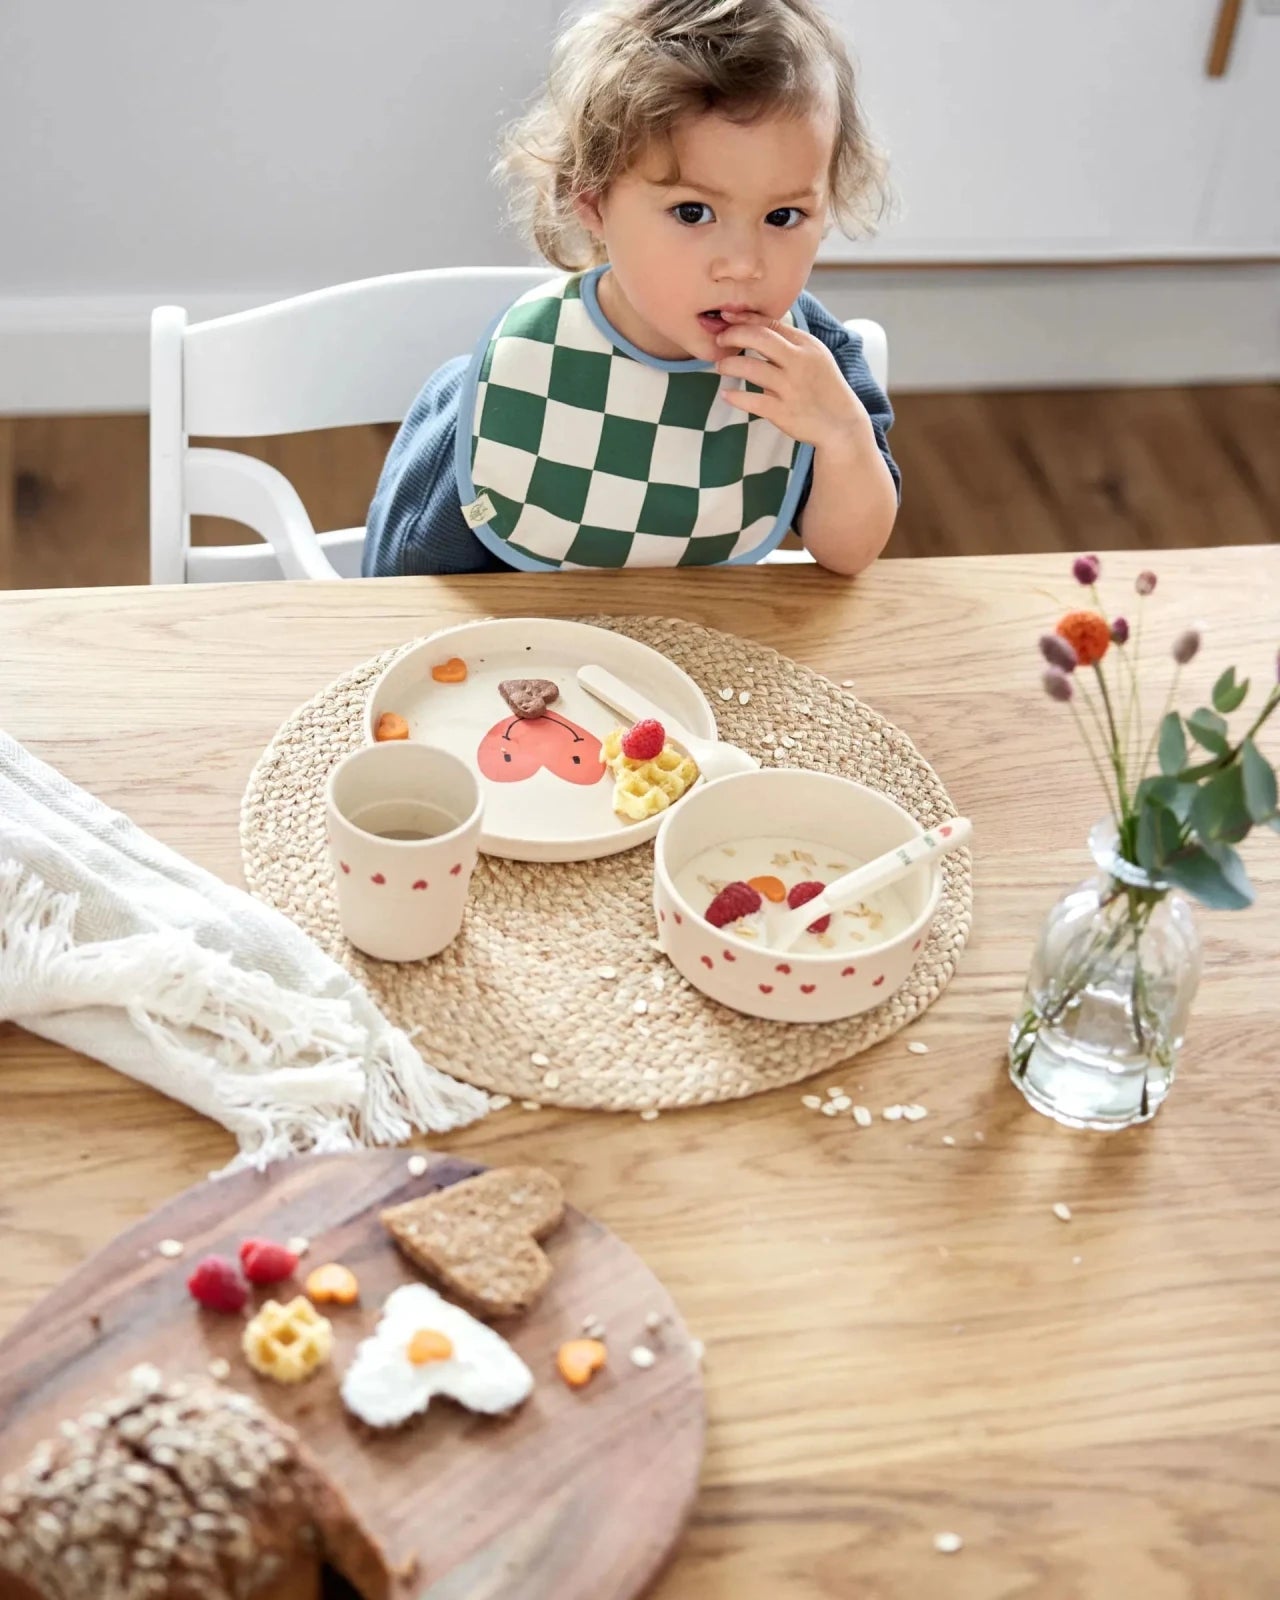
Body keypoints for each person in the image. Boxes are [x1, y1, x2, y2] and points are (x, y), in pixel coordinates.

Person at [363, 0, 899, 579]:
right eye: (693, 212)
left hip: (713, 654)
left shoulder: (816, 363)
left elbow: (850, 555)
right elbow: (409, 583)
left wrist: (844, 437)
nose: (744, 266)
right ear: (591, 200)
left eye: (784, 217)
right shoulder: (525, 373)